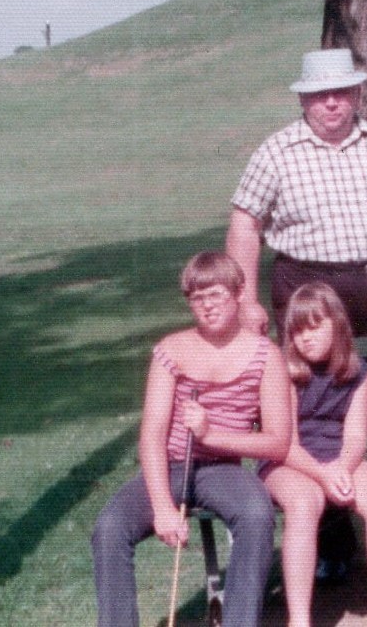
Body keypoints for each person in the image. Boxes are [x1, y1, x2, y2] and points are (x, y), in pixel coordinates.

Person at [91, 251, 291, 627]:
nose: (207, 306)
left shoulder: (266, 356)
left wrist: (211, 435)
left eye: (215, 294)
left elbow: (277, 443)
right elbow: (152, 436)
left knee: (256, 513)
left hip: (223, 471)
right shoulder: (171, 350)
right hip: (169, 468)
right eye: (197, 298)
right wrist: (163, 509)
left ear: (239, 293)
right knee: (110, 528)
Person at [227, 46, 367, 386]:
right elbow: (245, 225)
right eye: (319, 94)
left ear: (356, 94)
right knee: (313, 391)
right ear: (302, 99)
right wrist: (247, 301)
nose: (331, 102)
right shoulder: (275, 153)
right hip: (306, 292)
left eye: (340, 92)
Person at [260, 281, 367, 627]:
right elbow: (283, 443)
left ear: (337, 325)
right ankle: (299, 619)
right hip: (287, 459)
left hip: (338, 457)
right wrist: (324, 475)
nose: (306, 338)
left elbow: (355, 436)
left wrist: (342, 466)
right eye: (298, 331)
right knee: (304, 503)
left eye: (314, 327)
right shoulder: (283, 371)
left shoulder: (357, 372)